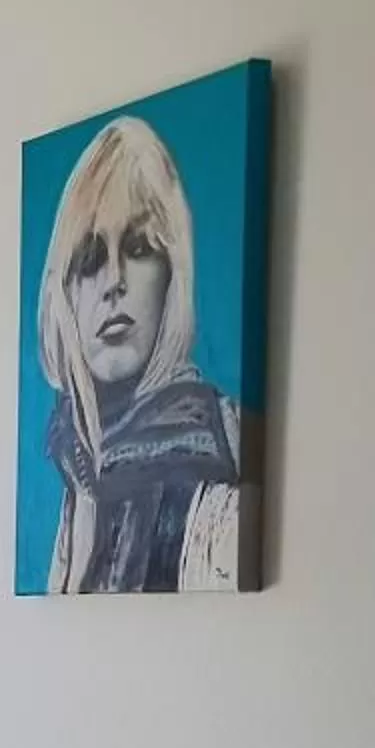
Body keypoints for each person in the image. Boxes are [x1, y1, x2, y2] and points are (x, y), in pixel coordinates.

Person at [34, 114, 241, 593]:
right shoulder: (81, 468)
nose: (114, 282)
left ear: (172, 271)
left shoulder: (220, 465)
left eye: (141, 247)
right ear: (63, 293)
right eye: (89, 259)